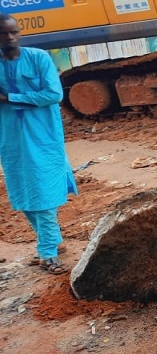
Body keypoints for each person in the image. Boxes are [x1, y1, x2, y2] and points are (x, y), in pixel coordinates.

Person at [0, 14, 77, 275]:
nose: (10, 38)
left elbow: (54, 94)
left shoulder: (39, 58)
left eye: (14, 32)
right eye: (4, 33)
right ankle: (52, 242)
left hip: (44, 138)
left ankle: (48, 253)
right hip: (10, 139)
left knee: (44, 194)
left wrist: (10, 96)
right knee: (22, 195)